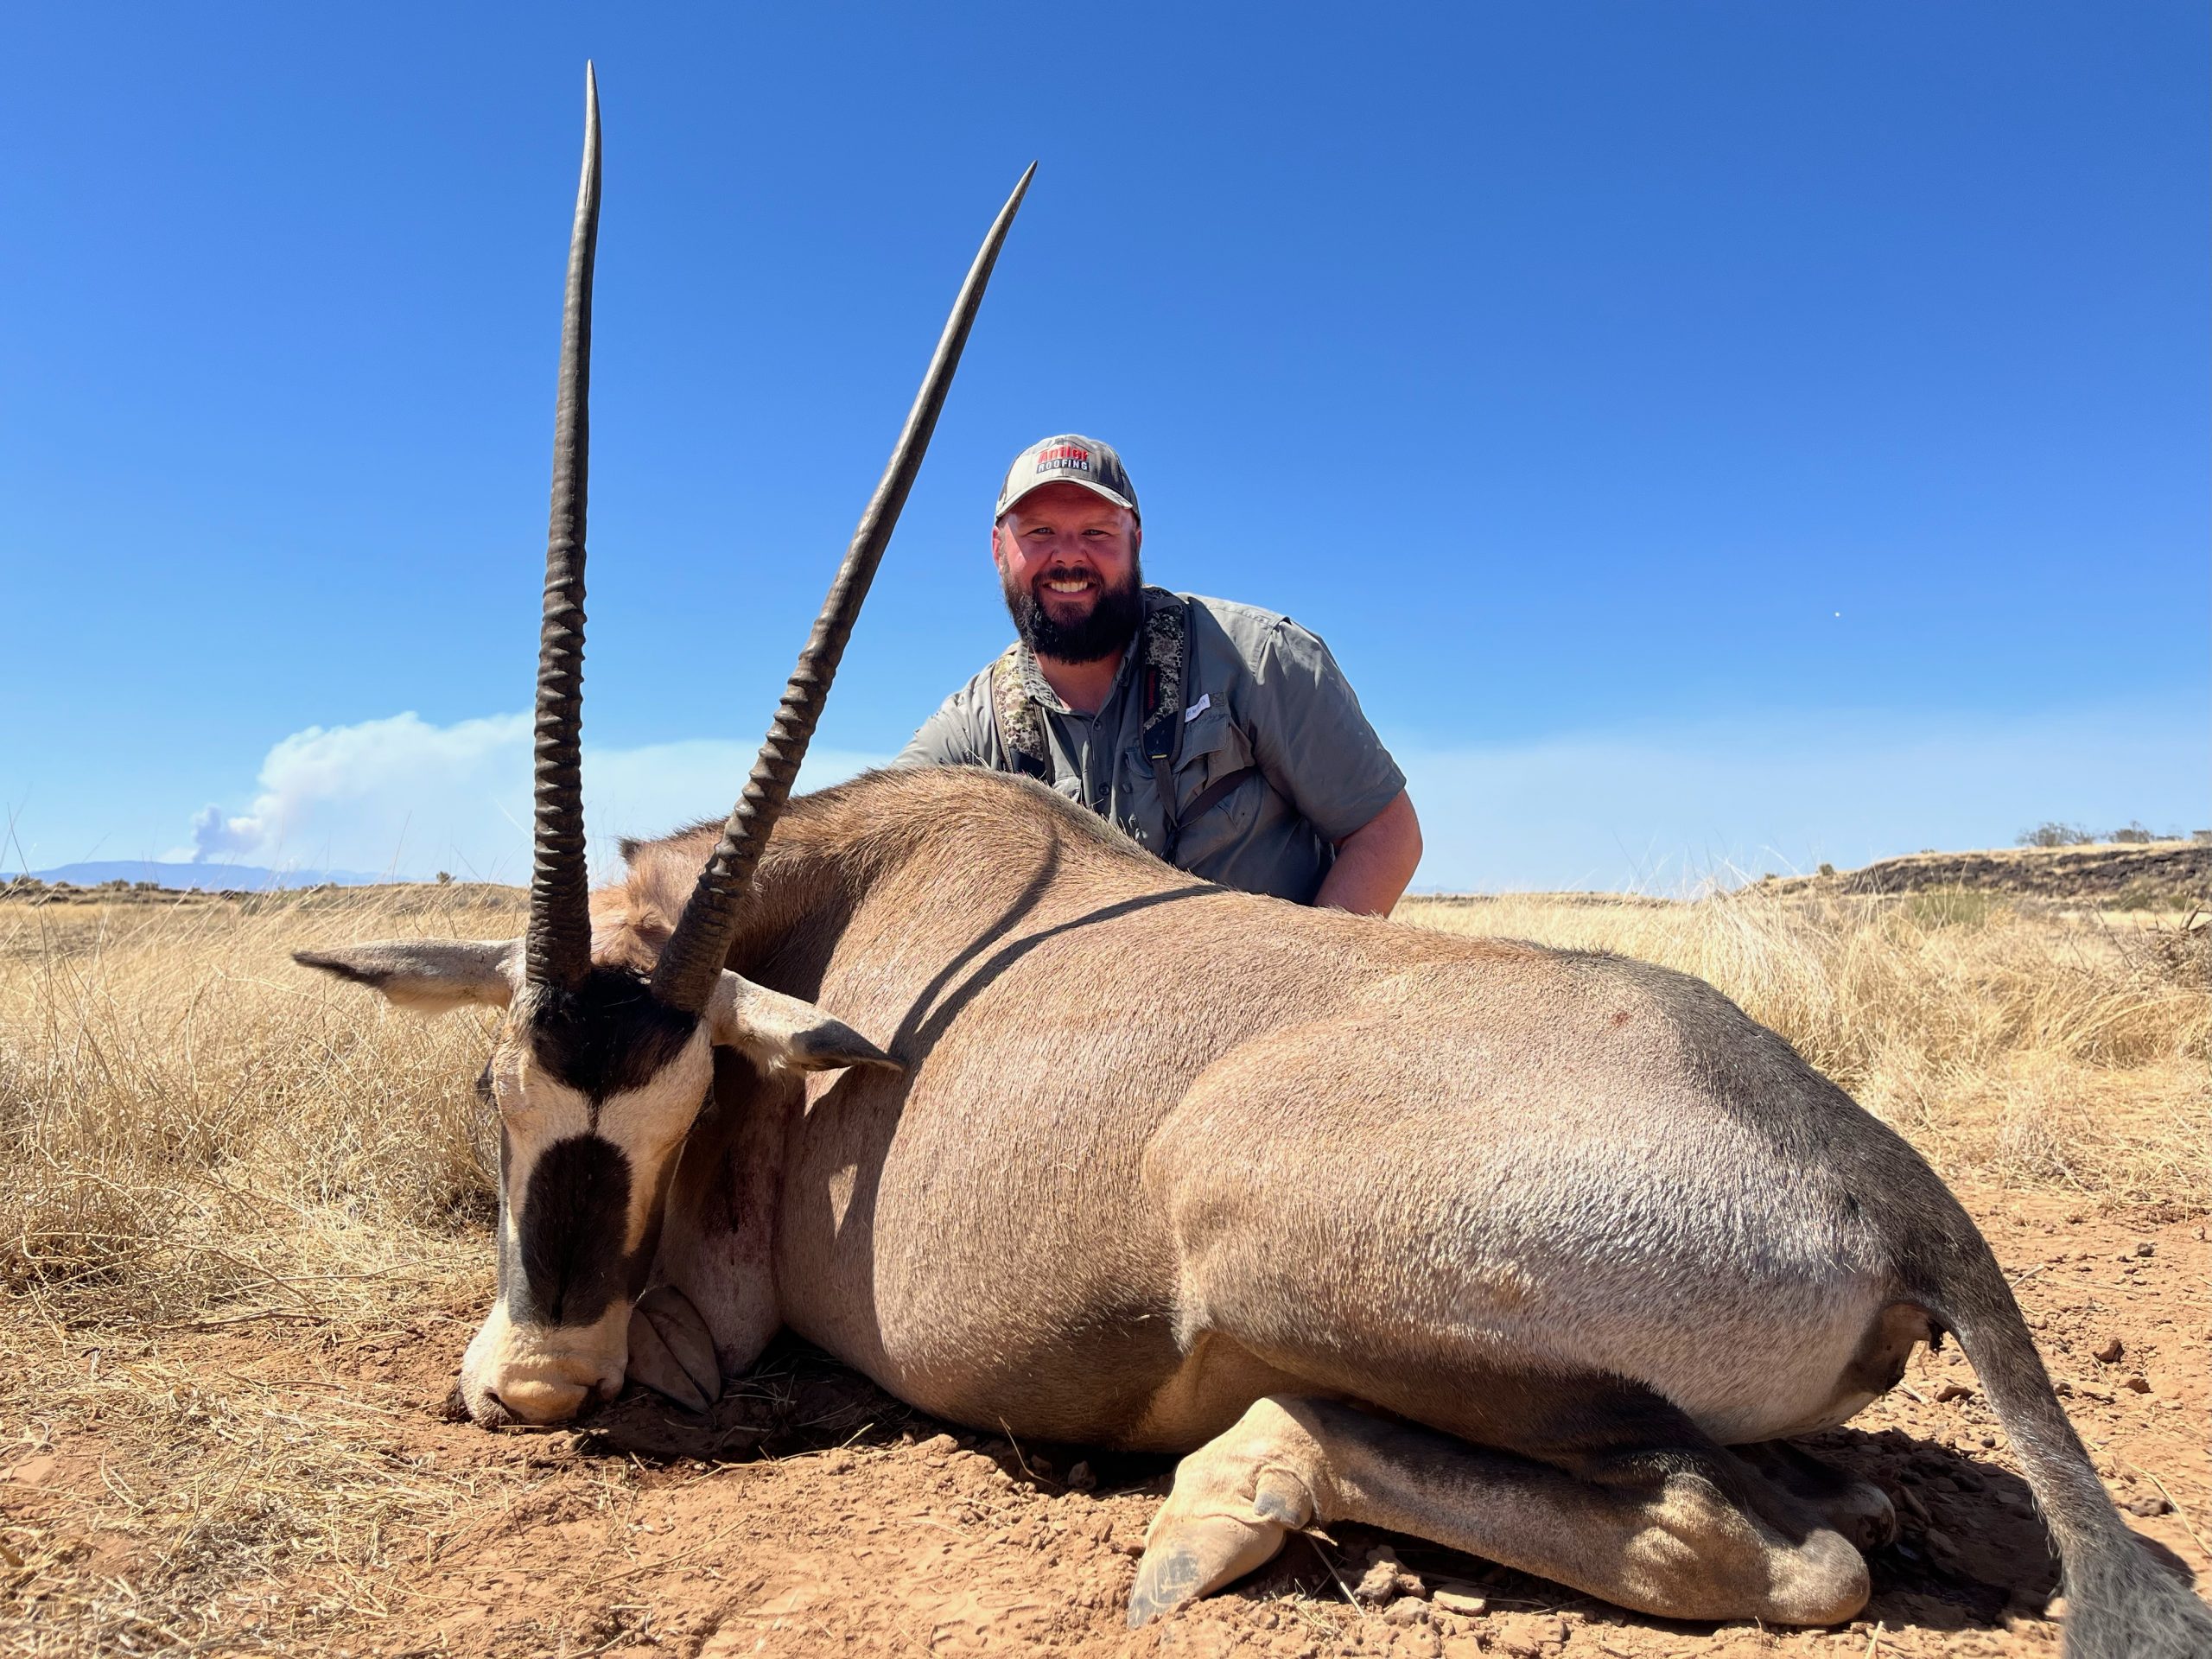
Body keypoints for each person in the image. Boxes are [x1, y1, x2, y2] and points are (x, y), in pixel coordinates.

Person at [895, 434, 1421, 914]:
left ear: (1137, 541)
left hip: (1269, 1007)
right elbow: (875, 839)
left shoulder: (1259, 660)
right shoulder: (971, 727)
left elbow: (1387, 832)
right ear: (998, 549)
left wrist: (1309, 988)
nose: (1069, 557)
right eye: (1040, 532)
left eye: (1097, 531)